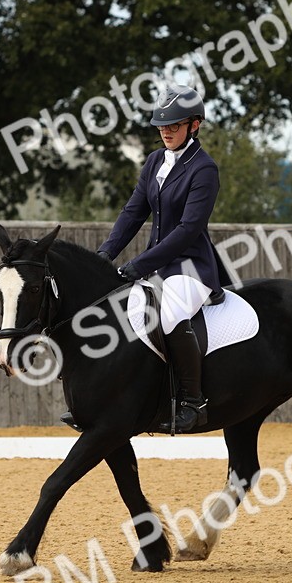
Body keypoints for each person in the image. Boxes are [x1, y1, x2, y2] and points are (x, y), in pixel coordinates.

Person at [96, 85, 221, 433]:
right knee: (123, 314)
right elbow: (133, 212)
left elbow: (188, 230)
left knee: (168, 316)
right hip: (158, 266)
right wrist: (106, 252)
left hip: (190, 268)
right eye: (161, 126)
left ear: (194, 125)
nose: (166, 132)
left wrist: (140, 264)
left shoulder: (204, 169)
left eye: (175, 125)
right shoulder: (154, 161)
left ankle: (194, 403)